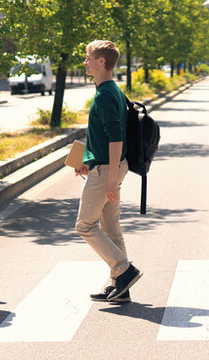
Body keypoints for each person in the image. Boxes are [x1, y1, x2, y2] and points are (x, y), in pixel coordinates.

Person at [75, 40, 141, 303]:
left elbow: (116, 139)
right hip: (104, 166)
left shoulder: (104, 95)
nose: (85, 62)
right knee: (110, 228)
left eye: (88, 57)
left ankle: (124, 269)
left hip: (107, 171)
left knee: (84, 225)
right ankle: (120, 286)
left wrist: (111, 179)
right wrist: (88, 160)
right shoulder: (111, 89)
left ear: (102, 62)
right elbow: (104, 136)